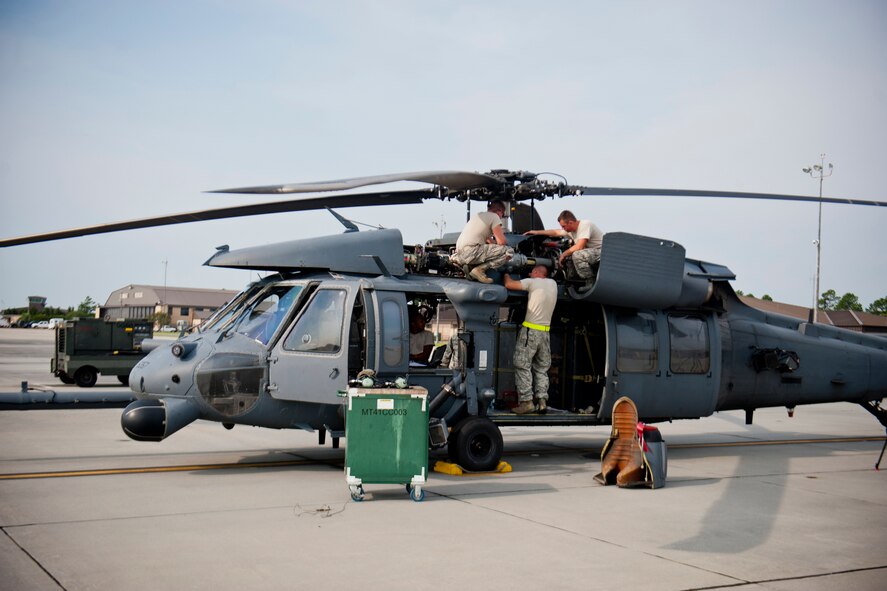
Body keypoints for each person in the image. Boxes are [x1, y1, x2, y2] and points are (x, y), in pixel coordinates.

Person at [503, 265, 558, 414]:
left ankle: (526, 402)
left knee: (521, 364)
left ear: (537, 272)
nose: (529, 273)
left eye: (532, 271)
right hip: (545, 333)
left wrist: (506, 273)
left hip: (530, 331)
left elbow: (509, 284)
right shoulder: (553, 284)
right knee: (541, 368)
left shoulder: (532, 282)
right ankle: (542, 401)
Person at [524, 210, 603, 280]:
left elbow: (580, 246)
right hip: (590, 253)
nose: (563, 228)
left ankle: (590, 280)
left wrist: (564, 254)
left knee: (577, 255)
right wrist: (536, 232)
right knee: (569, 257)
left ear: (570, 223)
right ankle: (573, 280)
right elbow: (556, 232)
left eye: (563, 226)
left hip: (602, 253)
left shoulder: (585, 224)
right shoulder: (571, 231)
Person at [451, 200, 513, 284]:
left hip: (459, 254)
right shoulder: (494, 216)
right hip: (471, 252)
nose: (501, 218)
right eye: (502, 215)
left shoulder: (479, 215)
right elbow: (501, 242)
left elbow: (488, 239)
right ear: (499, 211)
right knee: (508, 251)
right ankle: (479, 270)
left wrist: (494, 245)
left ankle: (471, 267)